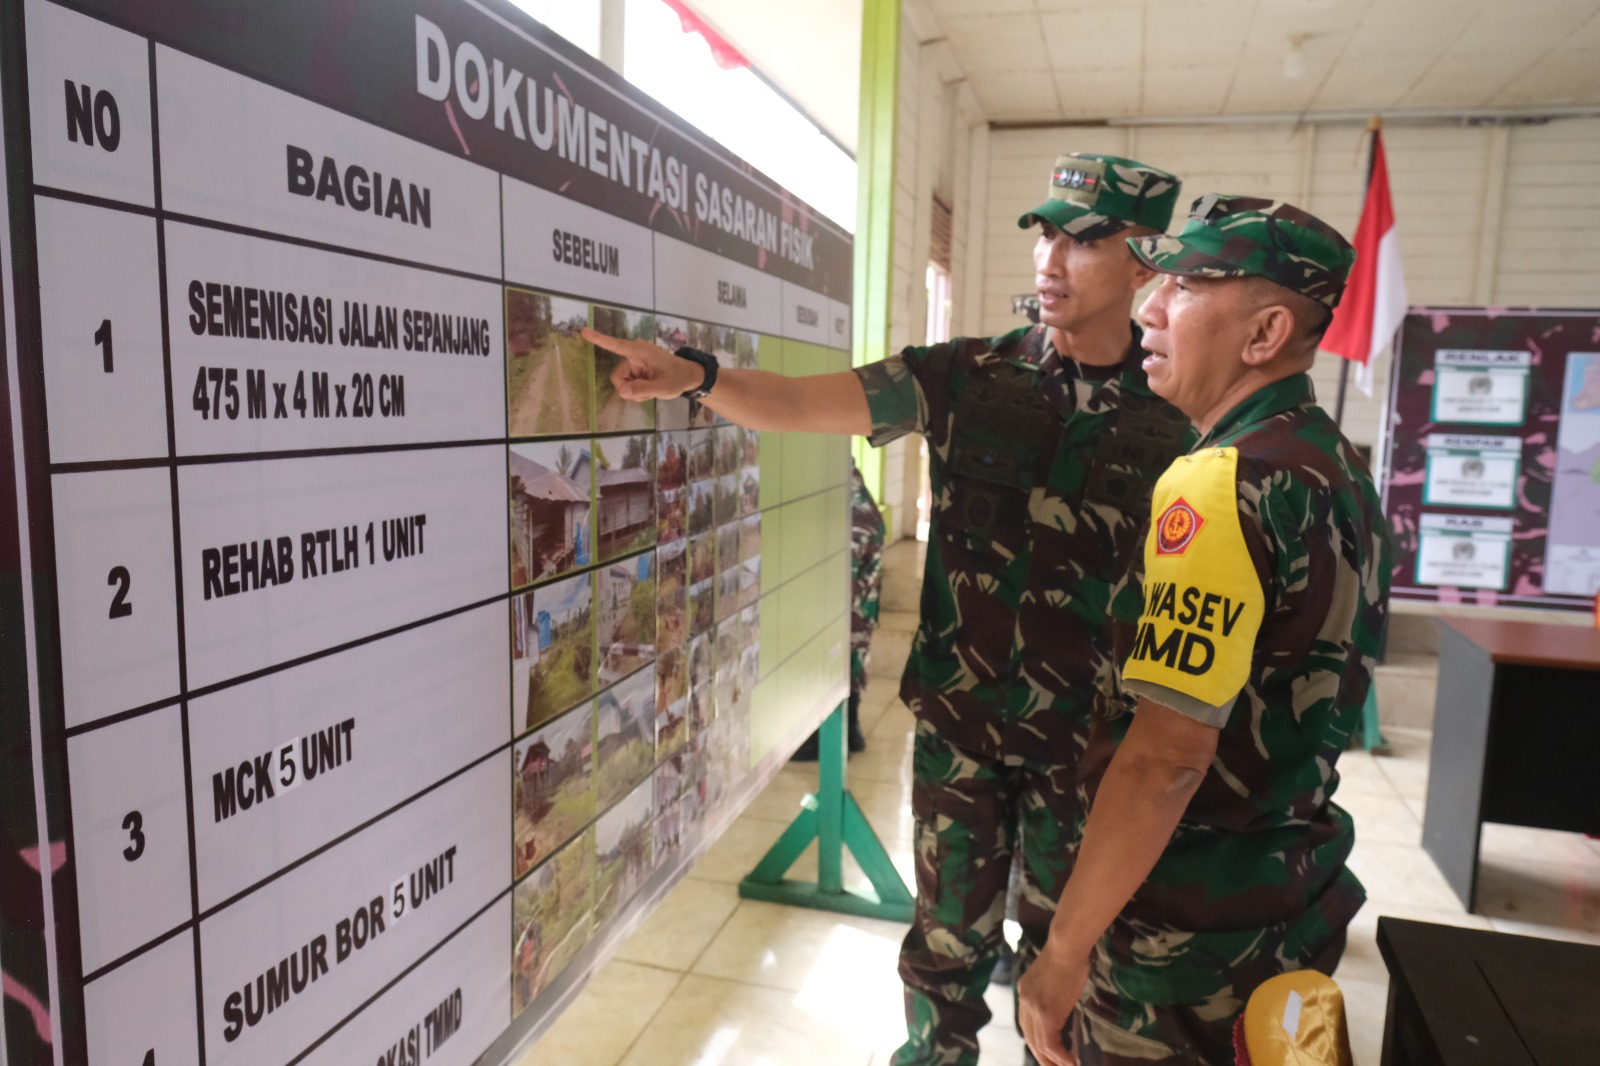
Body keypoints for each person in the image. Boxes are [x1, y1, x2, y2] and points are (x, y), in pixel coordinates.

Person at [584, 152, 1195, 1066]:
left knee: (1067, 972)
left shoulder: (1181, 417)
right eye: (1044, 234)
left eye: (1083, 241)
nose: (1050, 260)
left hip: (1088, 751)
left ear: (1144, 261)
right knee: (944, 956)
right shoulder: (966, 375)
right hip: (960, 729)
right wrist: (694, 377)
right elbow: (799, 404)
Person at [1016, 194, 1392, 1066]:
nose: (1149, 308)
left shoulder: (1218, 484)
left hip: (1183, 951)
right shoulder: (1333, 465)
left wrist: (1063, 952)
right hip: (1287, 902)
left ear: (1264, 334)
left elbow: (1166, 759)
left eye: (1184, 287)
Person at [793, 459, 886, 760]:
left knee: (842, 658)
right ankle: (848, 730)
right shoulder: (849, 494)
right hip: (858, 612)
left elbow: (839, 584)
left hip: (850, 614)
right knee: (851, 657)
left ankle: (836, 734)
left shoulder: (850, 507)